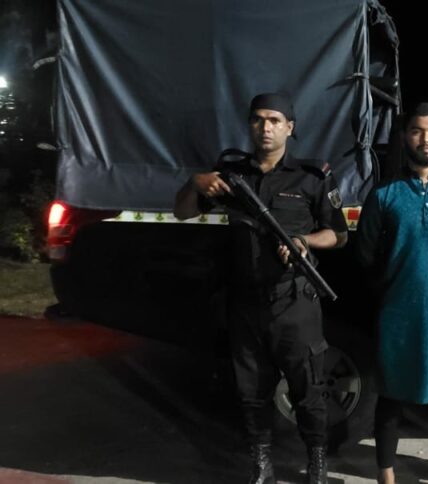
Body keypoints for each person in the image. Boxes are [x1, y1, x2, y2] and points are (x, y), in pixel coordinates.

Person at [173, 92, 347, 484]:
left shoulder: (312, 176)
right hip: (245, 302)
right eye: (258, 120)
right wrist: (194, 182)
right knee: (252, 391)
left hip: (294, 301)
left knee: (308, 389)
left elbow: (338, 235)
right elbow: (182, 212)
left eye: (274, 120)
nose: (265, 128)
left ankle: (317, 461)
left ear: (290, 127)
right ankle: (261, 462)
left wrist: (303, 242)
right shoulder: (231, 176)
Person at [354, 102, 428, 484]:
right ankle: (386, 473)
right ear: (405, 137)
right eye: (417, 131)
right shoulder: (384, 195)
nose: (426, 138)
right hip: (400, 312)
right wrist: (394, 289)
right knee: (390, 396)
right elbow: (366, 255)